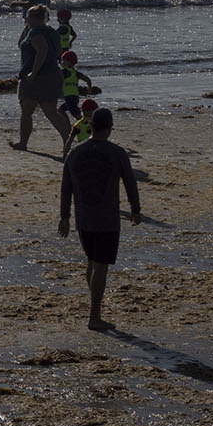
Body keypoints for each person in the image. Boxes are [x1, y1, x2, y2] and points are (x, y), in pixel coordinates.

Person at [58, 107, 141, 330]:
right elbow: (130, 183)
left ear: (91, 126)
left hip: (82, 217)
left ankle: (96, 304)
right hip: (106, 218)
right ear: (110, 127)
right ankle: (94, 315)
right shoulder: (117, 152)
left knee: (92, 262)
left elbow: (66, 188)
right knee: (100, 265)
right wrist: (136, 209)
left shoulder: (75, 153)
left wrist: (64, 217)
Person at [10, 5, 72, 152]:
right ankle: (67, 143)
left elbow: (41, 51)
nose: (25, 19)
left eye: (27, 17)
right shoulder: (51, 32)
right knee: (51, 112)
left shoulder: (36, 33)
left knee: (27, 112)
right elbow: (57, 51)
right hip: (53, 74)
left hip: (37, 77)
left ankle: (23, 143)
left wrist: (33, 73)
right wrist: (27, 28)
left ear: (33, 17)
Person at [59, 50, 92, 122]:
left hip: (69, 98)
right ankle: (68, 127)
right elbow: (88, 80)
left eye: (63, 60)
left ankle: (91, 126)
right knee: (61, 110)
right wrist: (89, 89)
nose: (61, 62)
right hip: (75, 98)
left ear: (68, 62)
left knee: (79, 117)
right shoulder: (76, 73)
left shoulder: (64, 72)